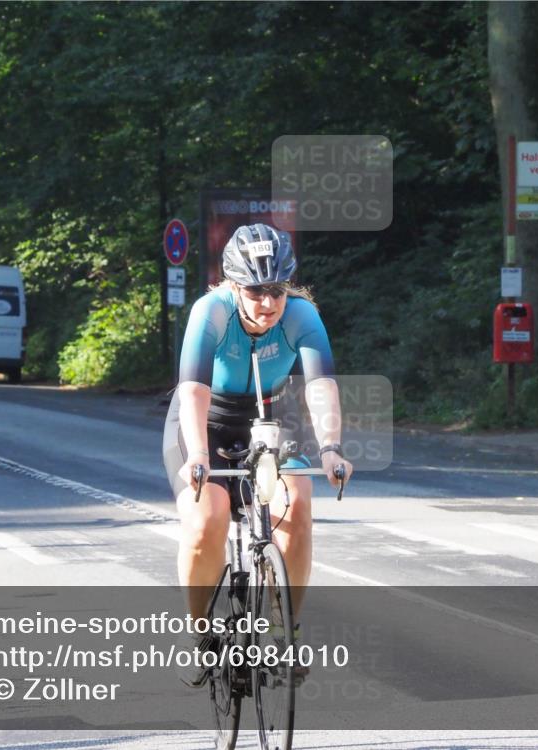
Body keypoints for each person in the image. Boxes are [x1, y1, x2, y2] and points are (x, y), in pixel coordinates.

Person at [163, 223, 353, 687]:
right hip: (205, 417)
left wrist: (330, 448)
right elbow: (192, 390)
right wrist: (199, 456)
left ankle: (282, 628)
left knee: (298, 504)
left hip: (269, 414)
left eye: (276, 290)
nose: (267, 303)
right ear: (233, 285)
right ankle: (202, 636)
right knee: (207, 518)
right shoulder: (211, 311)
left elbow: (322, 386)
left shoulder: (303, 315)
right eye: (254, 291)